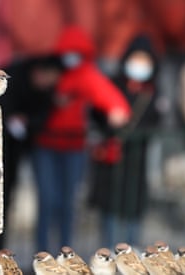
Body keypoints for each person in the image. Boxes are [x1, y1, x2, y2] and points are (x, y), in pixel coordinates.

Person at [32, 25, 131, 253]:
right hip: (46, 145)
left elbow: (112, 100)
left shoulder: (87, 74)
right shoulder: (52, 70)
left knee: (67, 204)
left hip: (73, 147)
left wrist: (116, 111)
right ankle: (41, 254)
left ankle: (64, 254)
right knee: (47, 201)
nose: (70, 57)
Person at [88, 35, 160, 247]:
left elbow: (156, 119)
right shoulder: (113, 83)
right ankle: (110, 252)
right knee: (110, 209)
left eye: (144, 60)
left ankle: (132, 251)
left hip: (137, 161)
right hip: (112, 158)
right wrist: (111, 118)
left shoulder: (153, 91)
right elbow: (96, 111)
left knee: (133, 210)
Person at [0, 55, 63, 252]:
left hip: (20, 151)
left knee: (8, 202)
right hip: (1, 151)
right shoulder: (12, 80)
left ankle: (2, 251)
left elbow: (42, 117)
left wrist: (28, 122)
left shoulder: (45, 93)